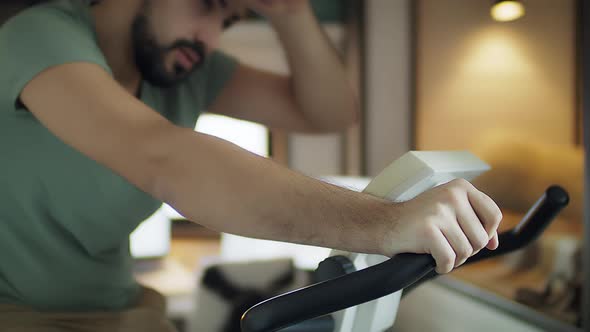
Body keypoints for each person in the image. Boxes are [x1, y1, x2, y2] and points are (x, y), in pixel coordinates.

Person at [0, 0, 502, 330]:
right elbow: (163, 156)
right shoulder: (38, 35)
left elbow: (329, 111)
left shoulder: (184, 70)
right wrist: (385, 223)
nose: (210, 38)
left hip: (122, 311)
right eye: (207, 7)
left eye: (229, 20)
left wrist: (289, 12)